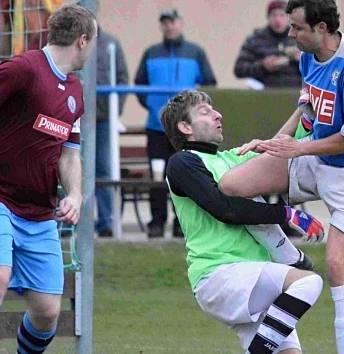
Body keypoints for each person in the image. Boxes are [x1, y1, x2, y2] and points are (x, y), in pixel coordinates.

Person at [219, 1, 344, 352]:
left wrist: (297, 150)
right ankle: (290, 257)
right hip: (316, 153)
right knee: (233, 185)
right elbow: (307, 109)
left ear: (323, 29)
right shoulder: (308, 55)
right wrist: (276, 143)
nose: (290, 33)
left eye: (298, 27)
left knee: (337, 264)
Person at [161, 90, 324, 353]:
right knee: (308, 282)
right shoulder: (183, 162)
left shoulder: (230, 158)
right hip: (219, 274)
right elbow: (224, 209)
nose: (217, 115)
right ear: (185, 127)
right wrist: (287, 214)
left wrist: (305, 108)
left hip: (250, 275)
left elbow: (276, 149)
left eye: (214, 109)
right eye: (205, 111)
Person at [0, 4, 96, 352]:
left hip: (40, 213)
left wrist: (74, 194)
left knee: (46, 312)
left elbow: (69, 153)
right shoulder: (23, 69)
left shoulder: (74, 91)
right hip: (2, 199)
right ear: (83, 41)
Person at [135, 8, 217, 238]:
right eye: (165, 22)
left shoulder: (196, 53)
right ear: (161, 26)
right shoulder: (150, 53)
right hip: (156, 128)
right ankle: (157, 222)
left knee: (185, 176)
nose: (169, 26)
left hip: (186, 132)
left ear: (180, 23)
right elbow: (139, 86)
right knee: (157, 174)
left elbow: (209, 84)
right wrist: (154, 108)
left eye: (173, 21)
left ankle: (183, 224)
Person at [95, 27, 128, 238]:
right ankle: (70, 221)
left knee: (105, 170)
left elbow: (122, 78)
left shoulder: (110, 43)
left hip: (103, 119)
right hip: (75, 117)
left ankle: (106, 222)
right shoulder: (72, 41)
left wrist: (116, 109)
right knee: (67, 168)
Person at [234, 0, 301, 88]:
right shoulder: (255, 39)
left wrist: (302, 61)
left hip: (295, 92)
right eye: (274, 15)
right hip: (264, 91)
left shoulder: (299, 37)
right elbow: (239, 69)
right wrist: (263, 66)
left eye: (282, 15)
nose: (278, 20)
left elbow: (317, 70)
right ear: (268, 17)